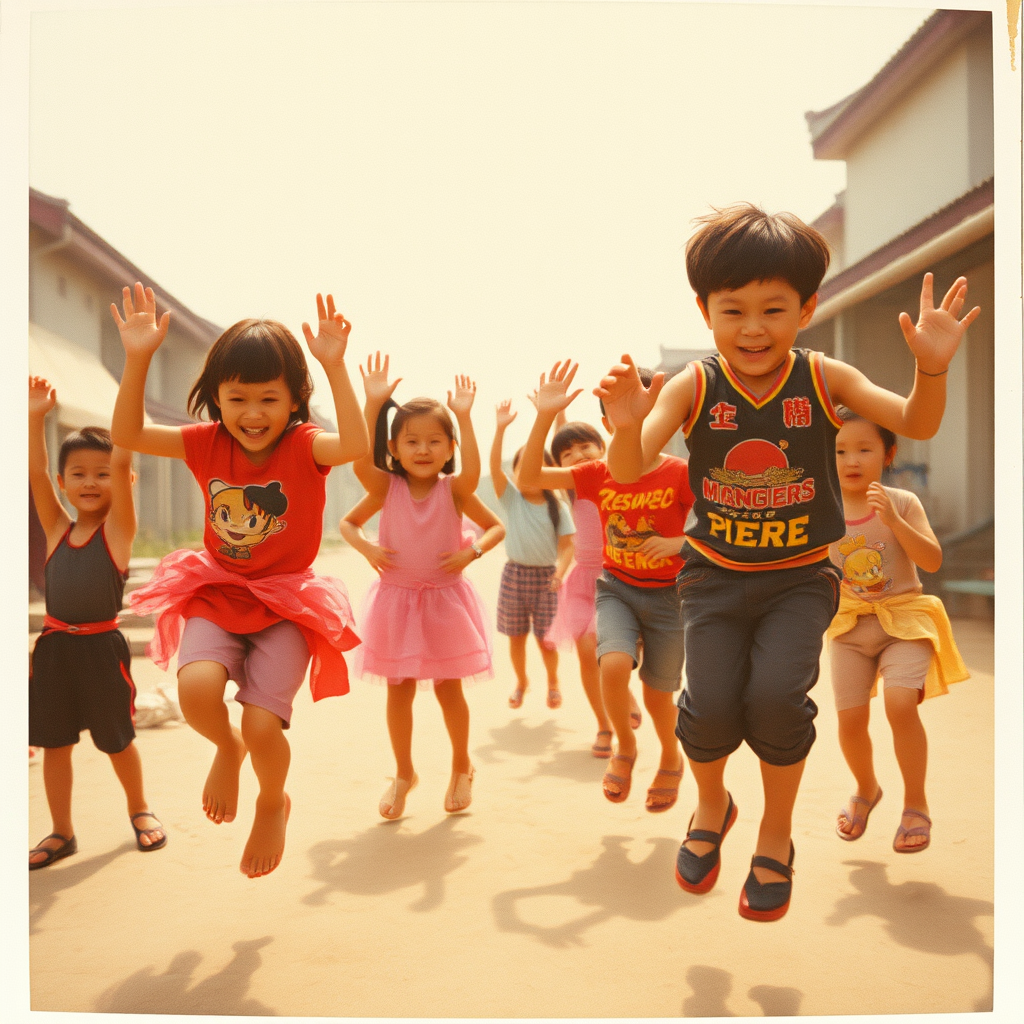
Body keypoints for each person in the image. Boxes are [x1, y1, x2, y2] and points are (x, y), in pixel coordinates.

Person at [597, 202, 981, 920]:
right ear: (705, 311)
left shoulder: (824, 377)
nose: (752, 328)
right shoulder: (693, 385)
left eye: (773, 309)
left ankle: (777, 834)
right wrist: (623, 425)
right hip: (712, 578)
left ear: (806, 309)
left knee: (776, 699)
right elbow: (630, 463)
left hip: (800, 580)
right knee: (707, 708)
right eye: (732, 309)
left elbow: (917, 421)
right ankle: (713, 806)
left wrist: (930, 369)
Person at [110, 284, 368, 878]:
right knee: (198, 689)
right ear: (216, 400)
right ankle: (226, 749)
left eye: (269, 400)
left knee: (262, 722)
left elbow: (354, 444)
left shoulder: (306, 446)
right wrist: (139, 357)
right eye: (237, 399)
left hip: (285, 602)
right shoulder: (207, 444)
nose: (253, 415)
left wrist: (335, 365)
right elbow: (127, 435)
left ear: (296, 400)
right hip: (220, 590)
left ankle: (272, 799)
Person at [518, 363, 692, 811]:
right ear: (610, 421)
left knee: (658, 695)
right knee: (611, 663)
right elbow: (530, 478)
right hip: (616, 587)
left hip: (669, 597)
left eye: (657, 412)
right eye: (627, 412)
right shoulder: (597, 472)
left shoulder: (680, 473)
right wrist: (545, 415)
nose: (642, 422)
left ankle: (671, 756)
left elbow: (717, 527)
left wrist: (679, 542)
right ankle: (625, 747)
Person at [340, 353, 504, 819]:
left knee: (450, 689)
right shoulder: (384, 487)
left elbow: (494, 528)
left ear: (450, 447)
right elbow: (348, 522)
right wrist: (367, 548)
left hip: (444, 601)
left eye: (435, 440)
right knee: (399, 691)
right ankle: (404, 772)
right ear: (393, 448)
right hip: (396, 603)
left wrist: (469, 553)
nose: (423, 449)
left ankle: (461, 766)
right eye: (411, 441)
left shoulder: (454, 489)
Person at [28, 376, 166, 868]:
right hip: (54, 650)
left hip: (101, 649)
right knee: (54, 744)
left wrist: (123, 436)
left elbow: (124, 457)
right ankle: (61, 832)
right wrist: (33, 419)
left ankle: (140, 809)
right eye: (79, 474)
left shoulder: (118, 533)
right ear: (65, 483)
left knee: (117, 738)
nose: (90, 482)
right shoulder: (56, 528)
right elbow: (38, 476)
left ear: (124, 482)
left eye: (103, 474)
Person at [827, 408, 968, 853]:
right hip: (848, 625)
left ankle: (915, 803)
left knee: (900, 702)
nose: (852, 460)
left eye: (864, 449)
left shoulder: (903, 502)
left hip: (903, 619)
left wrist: (893, 521)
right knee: (850, 722)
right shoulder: (820, 509)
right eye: (839, 450)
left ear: (889, 453)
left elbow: (931, 560)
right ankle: (866, 788)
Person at [491, 400, 575, 710]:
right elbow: (493, 470)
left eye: (536, 464)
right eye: (521, 464)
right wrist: (500, 430)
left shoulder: (559, 506)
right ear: (514, 470)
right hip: (515, 574)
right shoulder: (513, 500)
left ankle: (553, 681)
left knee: (546, 639)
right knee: (516, 637)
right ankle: (522, 681)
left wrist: (559, 573)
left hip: (546, 579)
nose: (528, 471)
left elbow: (567, 546)